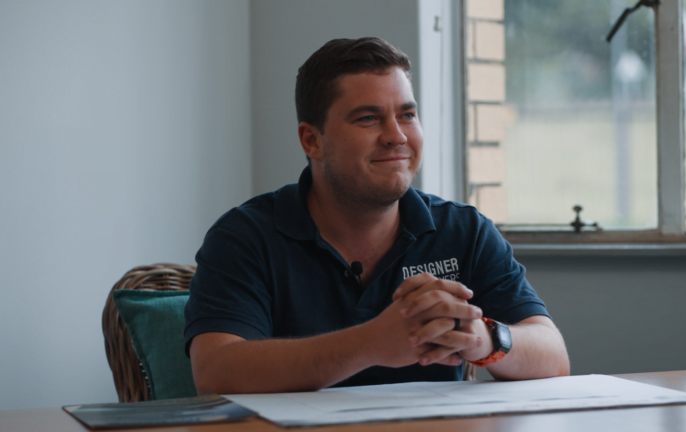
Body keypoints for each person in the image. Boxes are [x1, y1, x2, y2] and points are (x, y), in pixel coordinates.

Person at [184, 37, 569, 395]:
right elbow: (216, 372)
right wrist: (371, 343)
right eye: (368, 118)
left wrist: (483, 337)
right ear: (311, 140)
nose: (397, 136)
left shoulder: (464, 230)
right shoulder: (245, 236)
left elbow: (553, 357)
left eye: (407, 115)